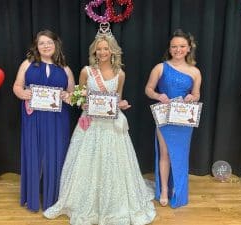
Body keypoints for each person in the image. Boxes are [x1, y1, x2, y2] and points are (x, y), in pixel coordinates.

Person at [43, 24, 156, 225]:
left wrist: (121, 104)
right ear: (94, 50)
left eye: (106, 48)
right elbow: (78, 96)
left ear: (112, 50)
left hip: (111, 125)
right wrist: (84, 102)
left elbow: (117, 99)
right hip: (91, 124)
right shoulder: (87, 71)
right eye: (99, 48)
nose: (102, 52)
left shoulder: (120, 74)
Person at [13, 30, 75, 212]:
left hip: (57, 119)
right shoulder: (27, 64)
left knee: (56, 154)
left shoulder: (65, 69)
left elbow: (73, 95)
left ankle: (53, 198)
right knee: (33, 153)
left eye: (49, 42)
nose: (46, 46)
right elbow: (17, 85)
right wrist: (22, 93)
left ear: (56, 44)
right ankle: (31, 198)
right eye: (42, 43)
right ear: (36, 46)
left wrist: (67, 96)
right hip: (33, 117)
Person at [145, 29, 202, 208]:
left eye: (182, 46)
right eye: (174, 46)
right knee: (165, 155)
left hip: (183, 120)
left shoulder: (195, 71)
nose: (178, 49)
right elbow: (148, 89)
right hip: (164, 117)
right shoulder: (160, 67)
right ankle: (163, 190)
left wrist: (192, 98)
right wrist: (158, 96)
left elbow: (197, 94)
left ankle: (178, 190)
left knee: (181, 155)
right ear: (169, 48)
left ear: (188, 48)